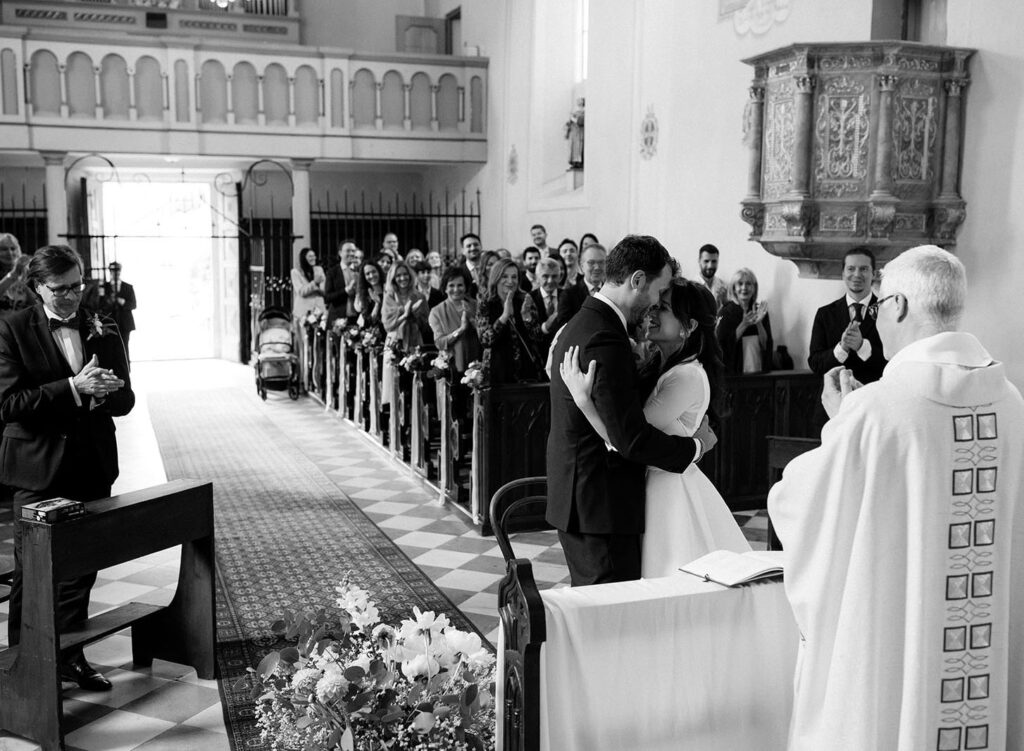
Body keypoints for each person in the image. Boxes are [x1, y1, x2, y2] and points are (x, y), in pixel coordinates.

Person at [768, 245, 1024, 751]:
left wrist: (840, 420)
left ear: (899, 306)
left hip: (900, 638)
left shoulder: (877, 408)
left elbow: (804, 505)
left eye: (881, 301)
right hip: (982, 651)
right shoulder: (1011, 401)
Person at [545, 234, 716, 586]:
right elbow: (630, 438)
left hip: (590, 500)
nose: (654, 304)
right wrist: (697, 447)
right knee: (611, 616)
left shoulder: (589, 324)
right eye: (658, 291)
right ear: (637, 280)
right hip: (601, 505)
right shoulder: (605, 337)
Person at [0, 244, 134, 692]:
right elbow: (9, 404)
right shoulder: (12, 328)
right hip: (37, 469)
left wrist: (104, 393)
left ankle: (69, 656)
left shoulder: (102, 325)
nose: (73, 297)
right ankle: (23, 668)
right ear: (38, 287)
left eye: (78, 286)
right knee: (31, 572)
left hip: (92, 464)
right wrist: (73, 389)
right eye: (61, 290)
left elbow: (125, 400)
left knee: (80, 569)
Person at [561, 279, 748, 577]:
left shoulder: (685, 376)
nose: (651, 312)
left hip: (670, 494)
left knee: (667, 579)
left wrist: (583, 401)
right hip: (651, 485)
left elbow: (628, 440)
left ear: (689, 326)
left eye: (663, 308)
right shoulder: (661, 366)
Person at [808, 246, 887, 431]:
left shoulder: (887, 312)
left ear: (873, 274)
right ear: (843, 273)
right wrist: (841, 349)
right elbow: (816, 364)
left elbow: (892, 364)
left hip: (873, 408)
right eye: (851, 268)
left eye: (864, 269)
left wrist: (862, 347)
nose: (857, 274)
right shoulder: (825, 314)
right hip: (830, 411)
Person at [476, 258, 541, 384]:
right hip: (496, 372)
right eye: (504, 276)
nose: (510, 281)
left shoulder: (525, 299)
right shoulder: (486, 303)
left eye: (514, 277)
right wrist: (504, 317)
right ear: (496, 278)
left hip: (526, 371)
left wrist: (526, 317)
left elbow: (537, 337)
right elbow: (485, 340)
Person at [716, 267, 772, 374]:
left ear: (754, 287)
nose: (744, 287)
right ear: (733, 288)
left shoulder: (760, 310)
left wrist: (758, 322)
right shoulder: (726, 312)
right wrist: (744, 324)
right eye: (740, 284)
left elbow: (766, 345)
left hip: (758, 370)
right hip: (735, 373)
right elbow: (722, 346)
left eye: (748, 284)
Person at [429, 266, 480, 375]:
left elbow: (484, 334)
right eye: (451, 285)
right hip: (451, 369)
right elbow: (440, 343)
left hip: (477, 366)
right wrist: (460, 330)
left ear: (466, 287)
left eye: (460, 285)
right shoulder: (437, 311)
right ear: (445, 288)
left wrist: (472, 319)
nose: (456, 289)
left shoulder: (476, 305)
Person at [290, 248, 325, 389]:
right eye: (310, 256)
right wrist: (314, 285)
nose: (313, 258)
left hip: (319, 312)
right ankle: (304, 380)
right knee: (304, 348)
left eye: (314, 255)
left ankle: (317, 379)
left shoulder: (319, 270)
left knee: (318, 348)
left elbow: (324, 290)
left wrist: (315, 287)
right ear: (303, 258)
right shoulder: (296, 272)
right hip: (303, 314)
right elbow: (301, 291)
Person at [381, 261, 430, 351]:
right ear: (393, 278)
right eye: (398, 276)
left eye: (405, 274)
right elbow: (388, 325)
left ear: (410, 275)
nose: (402, 278)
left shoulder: (419, 296)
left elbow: (426, 325)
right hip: (394, 341)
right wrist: (405, 314)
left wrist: (415, 316)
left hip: (415, 340)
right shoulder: (389, 296)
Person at [556, 242, 607, 327]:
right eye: (591, 262)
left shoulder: (613, 293)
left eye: (601, 262)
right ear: (581, 265)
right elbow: (564, 328)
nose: (597, 267)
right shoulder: (568, 296)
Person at [530, 257, 562, 361]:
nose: (550, 281)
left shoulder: (569, 296)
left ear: (560, 277)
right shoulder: (529, 299)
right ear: (537, 277)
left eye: (554, 276)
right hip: (538, 357)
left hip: (562, 354)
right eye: (545, 276)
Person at [324, 240, 355, 328]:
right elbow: (327, 297)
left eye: (353, 251)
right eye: (348, 251)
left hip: (356, 318)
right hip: (338, 319)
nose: (351, 253)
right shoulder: (332, 272)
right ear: (340, 253)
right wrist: (345, 291)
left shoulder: (359, 270)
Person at [0, 233, 33, 315]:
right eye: (4, 249)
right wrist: (14, 275)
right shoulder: (15, 273)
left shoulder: (27, 271)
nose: (10, 253)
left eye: (13, 248)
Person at [353, 260, 384, 329]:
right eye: (367, 274)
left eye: (374, 272)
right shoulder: (363, 294)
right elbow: (369, 321)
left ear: (379, 272)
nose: (371, 276)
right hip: (374, 333)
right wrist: (377, 304)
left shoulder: (388, 288)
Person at [697, 243, 729, 310]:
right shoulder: (690, 287)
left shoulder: (724, 286)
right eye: (706, 261)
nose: (710, 266)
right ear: (699, 261)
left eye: (714, 261)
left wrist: (725, 302)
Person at [565, 97, 585, 168]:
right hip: (573, 134)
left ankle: (578, 162)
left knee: (578, 148)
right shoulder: (575, 112)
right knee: (573, 148)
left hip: (579, 134)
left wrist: (573, 118)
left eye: (580, 100)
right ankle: (574, 162)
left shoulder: (584, 112)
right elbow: (569, 124)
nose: (578, 101)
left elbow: (581, 121)